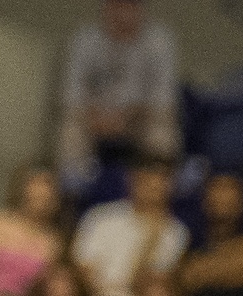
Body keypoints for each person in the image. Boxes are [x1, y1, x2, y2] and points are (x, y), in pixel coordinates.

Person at [57, 0, 180, 181]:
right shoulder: (85, 39)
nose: (122, 13)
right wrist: (95, 117)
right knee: (70, 128)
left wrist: (124, 118)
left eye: (129, 6)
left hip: (139, 119)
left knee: (162, 131)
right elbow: (73, 94)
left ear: (140, 10)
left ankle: (157, 187)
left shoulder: (159, 41)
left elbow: (162, 100)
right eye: (116, 6)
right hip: (94, 118)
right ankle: (74, 192)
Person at [71, 155, 187, 296]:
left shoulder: (175, 233)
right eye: (146, 183)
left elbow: (153, 287)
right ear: (133, 182)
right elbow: (82, 272)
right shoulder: (100, 218)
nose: (152, 191)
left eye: (159, 185)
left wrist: (150, 243)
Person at [0, 166, 67, 296]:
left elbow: (47, 290)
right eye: (36, 197)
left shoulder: (54, 241)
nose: (41, 202)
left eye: (46, 198)